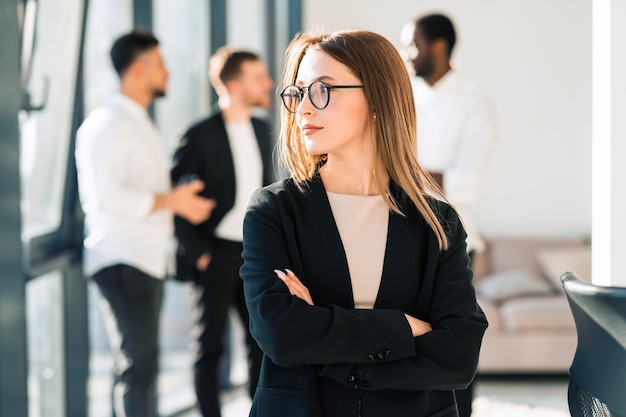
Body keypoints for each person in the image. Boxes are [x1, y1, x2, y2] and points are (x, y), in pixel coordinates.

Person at [239, 29, 488, 417]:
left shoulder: (436, 222)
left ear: (377, 97)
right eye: (298, 93)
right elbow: (281, 335)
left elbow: (458, 356)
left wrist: (321, 337)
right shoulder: (274, 211)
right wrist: (404, 328)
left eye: (322, 90)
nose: (303, 108)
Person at [75, 31, 215, 417]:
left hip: (143, 259)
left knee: (140, 365)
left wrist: (181, 203)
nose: (168, 72)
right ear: (138, 70)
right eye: (160, 64)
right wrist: (175, 201)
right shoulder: (107, 125)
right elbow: (107, 199)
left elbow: (143, 192)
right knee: (138, 366)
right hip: (123, 259)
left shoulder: (135, 122)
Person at [401, 13, 498, 417]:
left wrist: (402, 172)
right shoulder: (405, 97)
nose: (407, 54)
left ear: (438, 46)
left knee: (451, 347)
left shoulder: (474, 102)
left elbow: (466, 182)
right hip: (403, 237)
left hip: (453, 241)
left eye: (413, 44)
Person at [170, 47, 276, 417]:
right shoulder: (199, 136)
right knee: (209, 346)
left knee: (261, 342)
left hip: (254, 253)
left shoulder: (263, 129)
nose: (268, 83)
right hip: (214, 253)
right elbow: (175, 198)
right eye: (257, 77)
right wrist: (198, 251)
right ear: (233, 84)